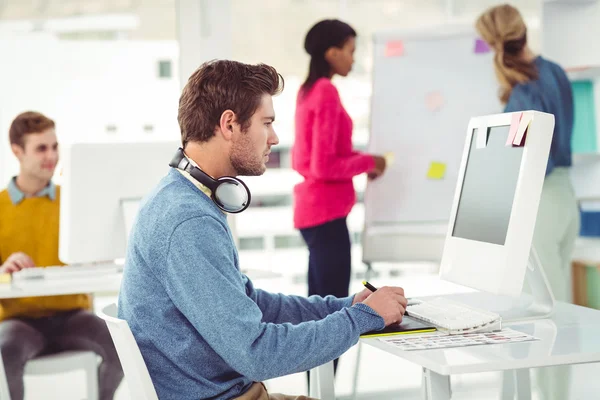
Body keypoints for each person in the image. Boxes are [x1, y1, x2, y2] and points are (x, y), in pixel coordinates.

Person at [118, 60, 408, 400]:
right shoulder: (189, 221)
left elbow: (249, 303)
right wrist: (361, 319)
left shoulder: (182, 197)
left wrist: (345, 305)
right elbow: (257, 353)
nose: (274, 138)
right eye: (266, 123)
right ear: (229, 124)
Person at [476, 5, 579, 400]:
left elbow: (520, 162)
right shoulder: (554, 70)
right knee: (560, 314)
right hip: (565, 198)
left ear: (491, 42)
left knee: (544, 318)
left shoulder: (522, 91)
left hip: (539, 203)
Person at [0, 112, 123, 400]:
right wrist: (5, 269)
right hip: (19, 321)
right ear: (17, 151)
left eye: (54, 147)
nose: (51, 156)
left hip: (73, 316)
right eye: (41, 148)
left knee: (123, 347)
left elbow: (99, 253)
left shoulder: (73, 202)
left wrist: (98, 256)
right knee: (6, 350)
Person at [292, 19, 387, 328]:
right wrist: (370, 163)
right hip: (326, 216)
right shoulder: (326, 92)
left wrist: (362, 160)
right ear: (332, 53)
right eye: (350, 50)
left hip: (315, 214)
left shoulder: (307, 91)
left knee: (317, 314)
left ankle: (318, 379)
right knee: (334, 320)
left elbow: (309, 159)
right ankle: (324, 378)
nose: (353, 58)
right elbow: (324, 165)